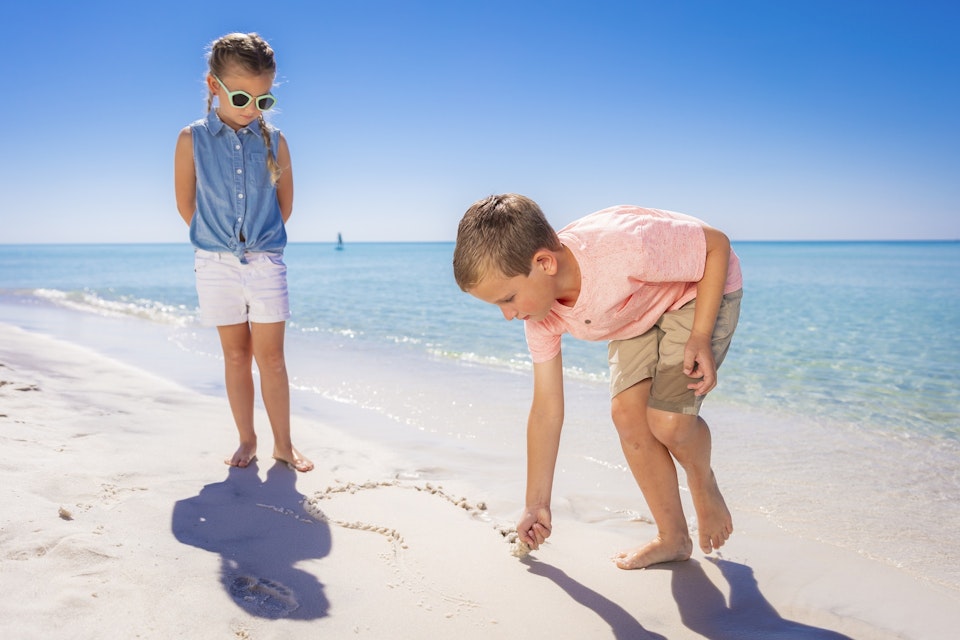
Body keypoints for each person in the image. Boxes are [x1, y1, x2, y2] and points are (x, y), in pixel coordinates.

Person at [453, 194, 742, 569]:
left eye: (508, 299)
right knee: (626, 414)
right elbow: (546, 410)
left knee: (668, 423)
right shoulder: (540, 317)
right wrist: (536, 503)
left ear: (544, 262)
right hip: (635, 310)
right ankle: (672, 538)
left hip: (695, 292)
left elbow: (716, 246)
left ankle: (703, 482)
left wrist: (701, 335)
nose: (508, 315)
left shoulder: (624, 246)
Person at [174, 32, 313, 473]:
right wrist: (220, 241)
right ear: (214, 86)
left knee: (271, 357)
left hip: (265, 260)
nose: (252, 108)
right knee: (236, 355)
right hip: (213, 264)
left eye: (263, 100)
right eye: (241, 97)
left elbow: (284, 204)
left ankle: (284, 444)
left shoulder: (275, 141)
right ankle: (247, 439)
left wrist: (258, 242)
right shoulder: (191, 139)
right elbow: (186, 205)